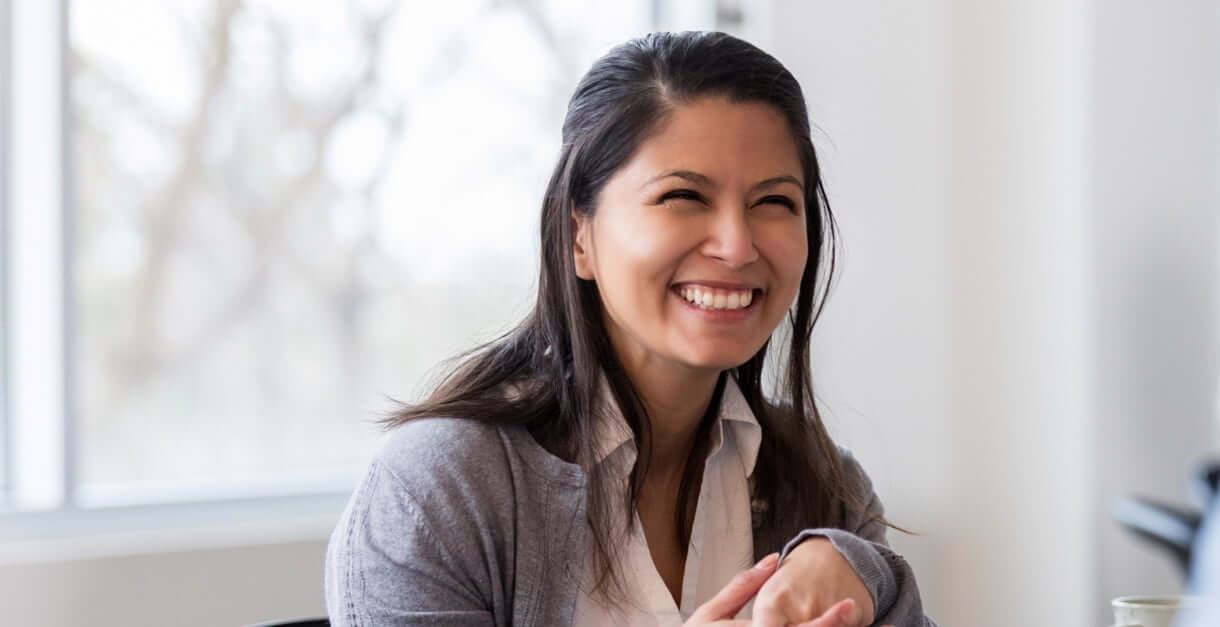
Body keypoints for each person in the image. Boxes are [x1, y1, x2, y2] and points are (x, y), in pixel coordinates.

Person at [325, 31, 935, 627]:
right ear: (577, 237)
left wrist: (871, 576)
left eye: (774, 202)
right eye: (682, 196)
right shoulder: (437, 490)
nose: (737, 245)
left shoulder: (823, 487)